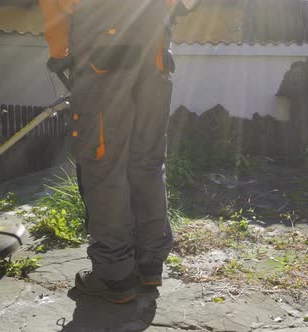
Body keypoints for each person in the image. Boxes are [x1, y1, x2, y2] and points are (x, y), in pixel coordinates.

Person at [38, 0, 199, 304]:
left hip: (102, 57)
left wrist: (60, 53)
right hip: (156, 55)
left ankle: (115, 276)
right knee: (147, 163)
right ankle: (149, 264)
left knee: (104, 166)